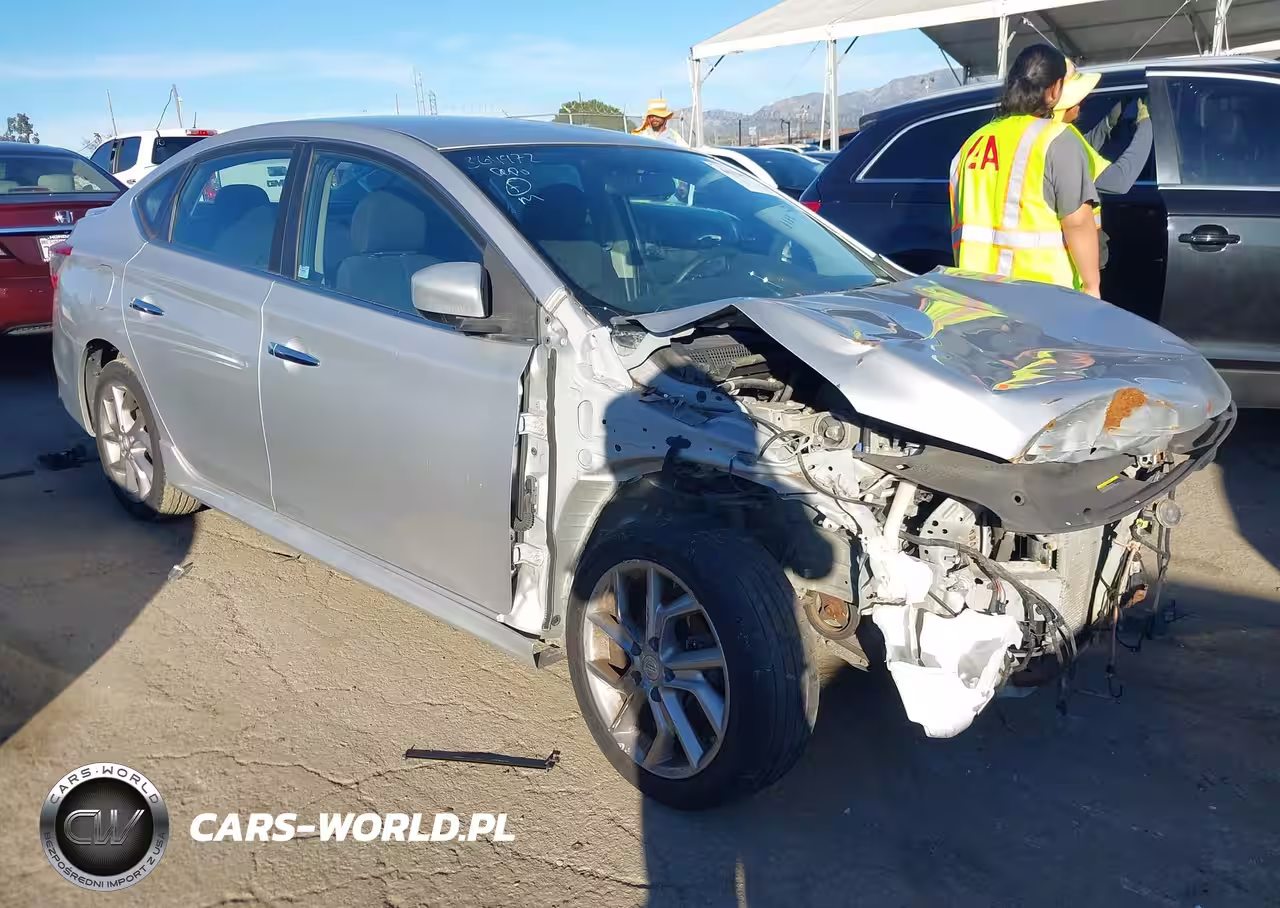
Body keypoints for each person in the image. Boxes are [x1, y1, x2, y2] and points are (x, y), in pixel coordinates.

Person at [949, 44, 1100, 297]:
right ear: (1054, 90)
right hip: (1043, 297)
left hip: (978, 295)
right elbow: (1077, 221)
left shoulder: (972, 143)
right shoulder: (1057, 139)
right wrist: (1091, 285)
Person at [1052, 59, 1154, 270]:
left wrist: (1110, 119)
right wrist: (1146, 125)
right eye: (1077, 97)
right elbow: (1119, 181)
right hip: (1069, 264)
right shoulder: (1061, 142)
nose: (1082, 103)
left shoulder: (1050, 134)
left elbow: (1085, 146)